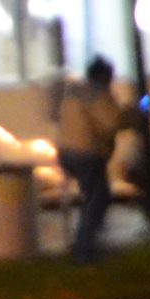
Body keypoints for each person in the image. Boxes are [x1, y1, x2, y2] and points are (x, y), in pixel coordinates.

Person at [52, 59, 127, 256]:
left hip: (66, 150)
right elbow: (110, 123)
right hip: (87, 152)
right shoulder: (99, 93)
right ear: (103, 75)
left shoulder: (73, 92)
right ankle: (84, 249)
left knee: (92, 198)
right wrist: (131, 115)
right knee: (98, 199)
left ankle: (89, 244)